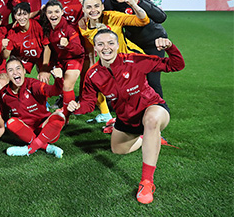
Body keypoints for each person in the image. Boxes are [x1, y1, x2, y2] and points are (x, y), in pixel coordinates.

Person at [68, 30, 185, 204]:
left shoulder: (134, 60)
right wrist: (75, 108)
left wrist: (170, 47)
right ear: (95, 48)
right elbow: (89, 104)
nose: (106, 48)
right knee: (118, 150)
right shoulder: (92, 75)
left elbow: (176, 65)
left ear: (117, 45)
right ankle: (149, 138)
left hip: (152, 108)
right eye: (100, 44)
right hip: (126, 119)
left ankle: (147, 182)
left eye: (110, 43)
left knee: (151, 121)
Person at [78, 0, 149, 123]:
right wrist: (93, 68)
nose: (93, 10)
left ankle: (148, 128)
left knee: (135, 98)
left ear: (102, 7)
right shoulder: (83, 27)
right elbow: (91, 49)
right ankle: (106, 115)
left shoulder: (113, 17)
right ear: (83, 10)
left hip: (131, 61)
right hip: (110, 64)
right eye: (89, 7)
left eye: (96, 6)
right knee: (95, 82)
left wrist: (134, 4)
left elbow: (143, 20)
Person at [102, 0, 168, 97]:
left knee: (153, 79)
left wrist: (137, 3)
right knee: (132, 78)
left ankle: (160, 107)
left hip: (154, 42)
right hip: (133, 45)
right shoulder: (109, 3)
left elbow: (161, 17)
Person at [0, 57, 64, 158]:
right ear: (7, 75)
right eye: (10, 70)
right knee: (10, 123)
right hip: (25, 133)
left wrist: (59, 79)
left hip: (44, 128)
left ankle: (29, 149)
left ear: (24, 71)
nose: (15, 73)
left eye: (18, 68)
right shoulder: (4, 94)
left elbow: (54, 91)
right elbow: (3, 115)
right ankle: (46, 147)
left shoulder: (33, 85)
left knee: (60, 116)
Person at [39, 0, 85, 119]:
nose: (53, 15)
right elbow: (48, 47)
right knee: (48, 82)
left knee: (67, 86)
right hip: (59, 60)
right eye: (50, 12)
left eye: (56, 11)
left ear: (62, 12)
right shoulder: (47, 27)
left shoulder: (69, 28)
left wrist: (68, 45)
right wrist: (45, 67)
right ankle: (45, 108)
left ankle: (66, 116)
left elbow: (79, 50)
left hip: (74, 59)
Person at [3, 2, 49, 79]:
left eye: (24, 14)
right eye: (19, 15)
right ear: (15, 16)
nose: (22, 18)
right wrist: (3, 47)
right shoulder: (12, 33)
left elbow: (47, 48)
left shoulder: (37, 26)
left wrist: (44, 66)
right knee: (14, 76)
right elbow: (5, 56)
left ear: (29, 14)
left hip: (40, 55)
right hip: (23, 56)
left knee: (43, 77)